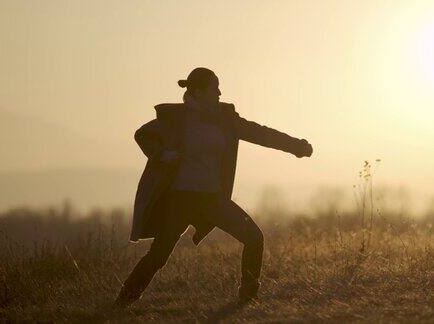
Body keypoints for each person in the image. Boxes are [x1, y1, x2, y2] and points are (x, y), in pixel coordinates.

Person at [114, 67, 313, 307]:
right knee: (158, 256)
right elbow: (142, 134)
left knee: (253, 237)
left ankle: (247, 299)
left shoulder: (225, 119)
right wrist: (161, 154)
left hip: (212, 199)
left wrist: (296, 147)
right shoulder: (175, 118)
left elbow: (260, 133)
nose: (219, 92)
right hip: (181, 199)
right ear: (197, 91)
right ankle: (122, 303)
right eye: (214, 87)